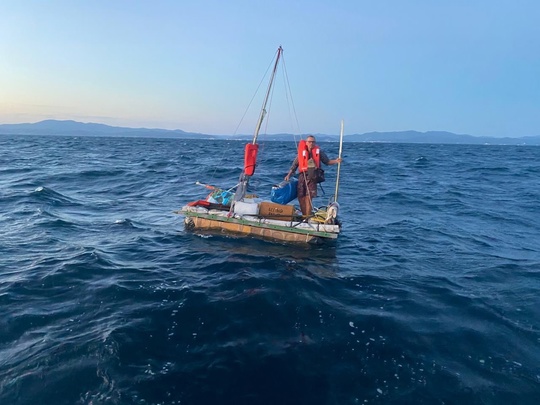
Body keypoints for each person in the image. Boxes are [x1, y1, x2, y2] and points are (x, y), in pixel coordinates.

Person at [284, 135, 342, 216]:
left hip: (313, 177)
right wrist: (289, 175)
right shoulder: (301, 153)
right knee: (301, 197)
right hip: (302, 176)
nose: (311, 143)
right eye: (310, 142)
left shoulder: (319, 152)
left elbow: (327, 162)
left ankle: (307, 216)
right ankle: (304, 215)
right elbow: (294, 165)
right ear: (306, 143)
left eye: (313, 142)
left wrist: (336, 161)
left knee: (309, 197)